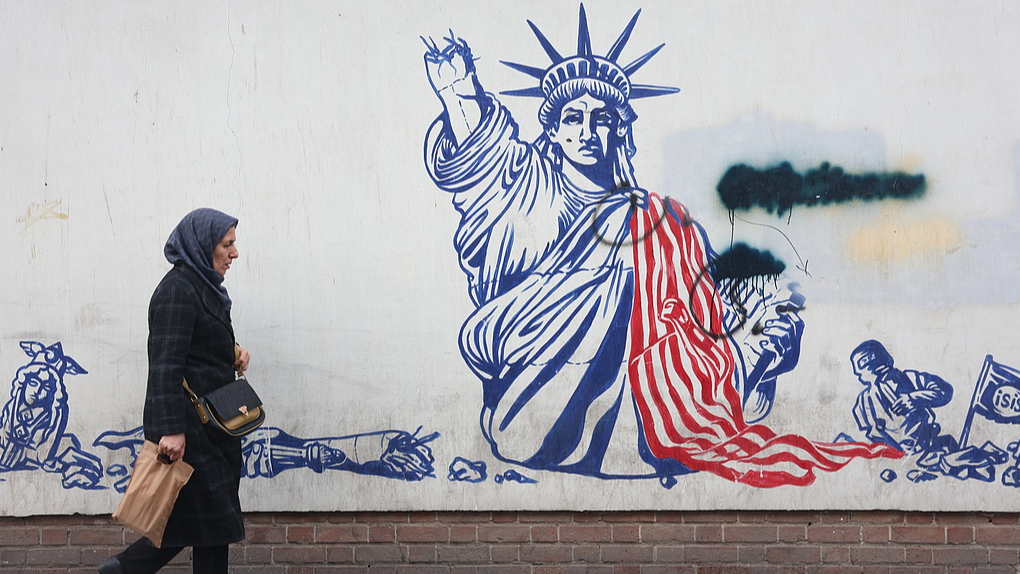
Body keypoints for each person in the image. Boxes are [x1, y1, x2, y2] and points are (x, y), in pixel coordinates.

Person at [422, 7, 901, 487]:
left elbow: (702, 297)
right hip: (539, 380)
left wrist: (757, 302)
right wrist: (459, 93)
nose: (587, 130)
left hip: (655, 385)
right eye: (573, 117)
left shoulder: (661, 218)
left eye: (602, 118)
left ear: (620, 130)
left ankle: (715, 383)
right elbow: (484, 164)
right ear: (552, 129)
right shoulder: (530, 189)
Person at [99, 208, 250, 574]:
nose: (235, 253)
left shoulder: (203, 287)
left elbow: (196, 347)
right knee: (209, 523)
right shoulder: (177, 291)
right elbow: (165, 364)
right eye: (227, 244)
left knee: (204, 524)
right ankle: (124, 569)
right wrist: (170, 429)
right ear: (202, 246)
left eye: (234, 244)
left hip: (214, 426)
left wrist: (232, 353)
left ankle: (122, 569)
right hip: (190, 429)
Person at [851, 340, 955, 454]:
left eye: (861, 364)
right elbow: (865, 437)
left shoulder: (909, 378)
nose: (857, 373)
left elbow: (945, 391)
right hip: (894, 457)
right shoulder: (863, 401)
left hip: (927, 448)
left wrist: (914, 399)